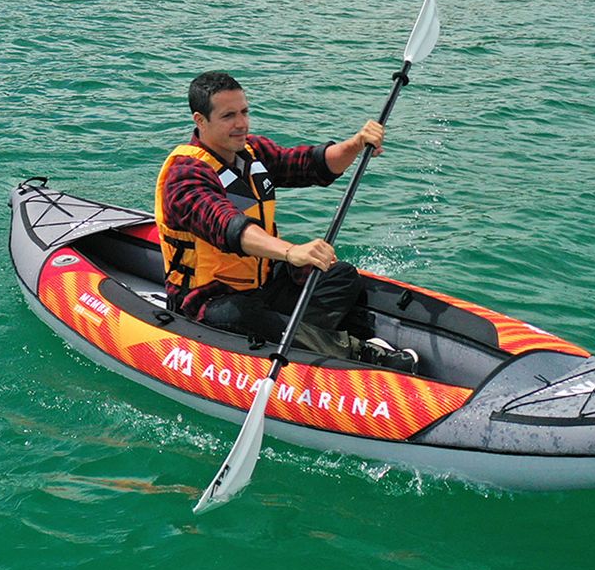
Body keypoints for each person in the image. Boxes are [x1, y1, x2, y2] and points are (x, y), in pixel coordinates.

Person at [154, 70, 417, 372]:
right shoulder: (185, 174)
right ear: (200, 121)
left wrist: (355, 145)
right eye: (228, 116)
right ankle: (358, 354)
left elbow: (309, 164)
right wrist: (292, 251)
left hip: (264, 284)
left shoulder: (251, 152)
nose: (241, 124)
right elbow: (227, 226)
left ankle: (301, 335)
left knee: (341, 275)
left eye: (244, 112)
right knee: (239, 316)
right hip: (211, 299)